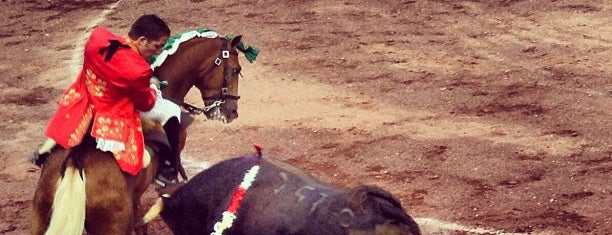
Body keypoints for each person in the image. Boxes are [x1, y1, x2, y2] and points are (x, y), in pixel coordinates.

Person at [31, 14, 181, 185]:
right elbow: (145, 104)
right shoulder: (139, 70)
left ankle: (44, 150)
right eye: (157, 46)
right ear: (142, 40)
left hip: (86, 102)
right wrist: (153, 87)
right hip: (112, 114)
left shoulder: (98, 38)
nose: (158, 51)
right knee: (172, 111)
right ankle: (168, 168)